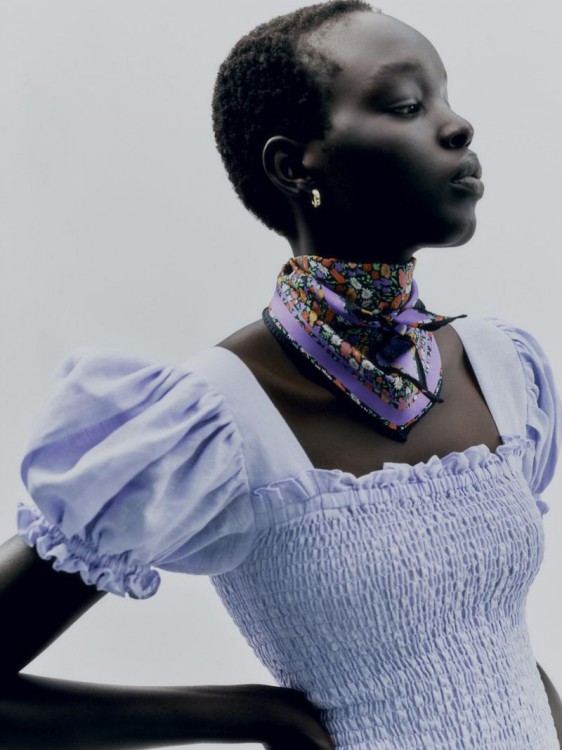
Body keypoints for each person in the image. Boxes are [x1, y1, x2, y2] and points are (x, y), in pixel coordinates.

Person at [1, 1, 561, 748]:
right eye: (406, 104)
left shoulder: (504, 368)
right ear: (294, 167)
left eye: (447, 98)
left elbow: (496, 643)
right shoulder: (213, 420)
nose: (457, 126)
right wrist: (253, 715)